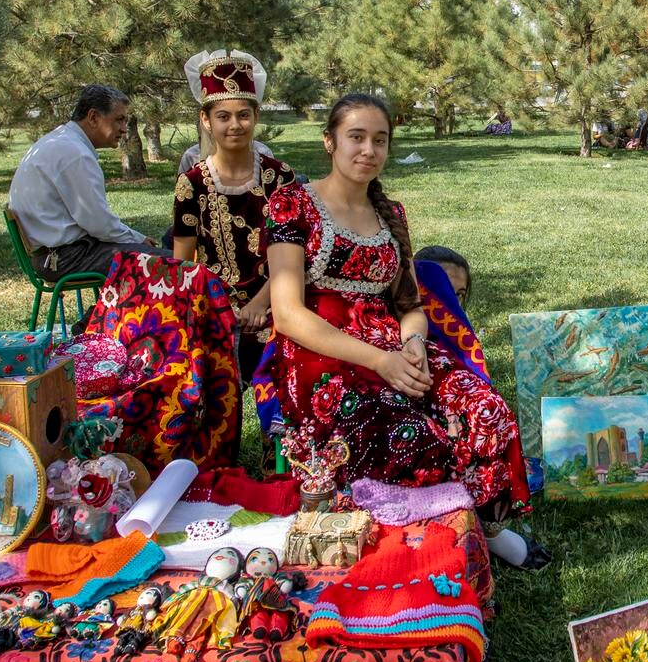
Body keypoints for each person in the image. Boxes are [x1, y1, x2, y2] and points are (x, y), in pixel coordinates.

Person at [265, 94, 545, 569]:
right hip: (324, 357)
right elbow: (288, 314)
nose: (368, 150)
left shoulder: (391, 212)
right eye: (356, 137)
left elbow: (410, 306)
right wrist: (380, 361)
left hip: (394, 345)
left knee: (485, 409)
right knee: (409, 433)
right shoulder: (291, 204)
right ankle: (436, 534)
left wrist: (413, 345)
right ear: (329, 141)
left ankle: (488, 525)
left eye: (380, 140)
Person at [170, 50, 298, 383]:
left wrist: (259, 303)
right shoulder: (192, 183)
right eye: (223, 116)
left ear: (256, 116)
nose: (234, 125)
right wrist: (214, 311)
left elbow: (298, 256)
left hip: (278, 299)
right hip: (214, 307)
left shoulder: (280, 177)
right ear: (205, 120)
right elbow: (183, 265)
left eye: (243, 115)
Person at [8, 85, 156, 279]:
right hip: (65, 258)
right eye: (119, 119)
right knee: (170, 265)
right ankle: (112, 311)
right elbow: (99, 224)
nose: (124, 128)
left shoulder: (61, 141)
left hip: (51, 255)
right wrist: (139, 239)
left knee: (160, 258)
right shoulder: (75, 154)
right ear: (93, 117)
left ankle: (114, 309)